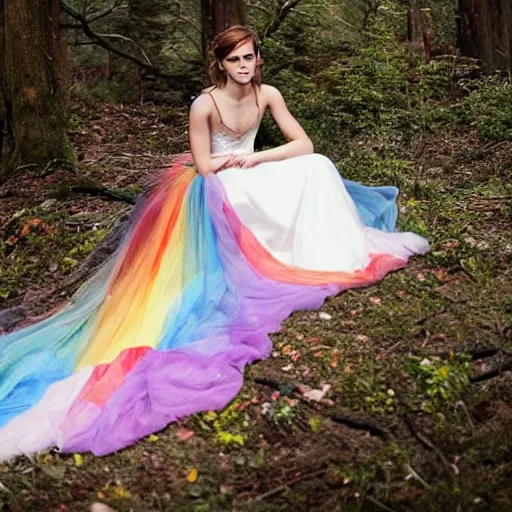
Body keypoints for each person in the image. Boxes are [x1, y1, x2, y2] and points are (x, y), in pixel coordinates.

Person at [0, 26, 428, 461]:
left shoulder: (268, 94)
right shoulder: (204, 104)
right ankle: (266, 255)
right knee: (235, 189)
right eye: (235, 60)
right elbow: (204, 166)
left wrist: (258, 157)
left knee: (316, 165)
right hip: (217, 179)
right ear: (220, 65)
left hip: (249, 166)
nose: (244, 67)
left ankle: (313, 252)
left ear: (258, 59)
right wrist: (236, 164)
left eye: (249, 58)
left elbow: (304, 143)